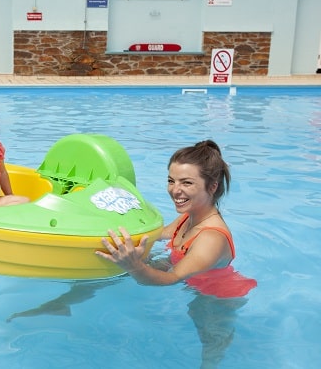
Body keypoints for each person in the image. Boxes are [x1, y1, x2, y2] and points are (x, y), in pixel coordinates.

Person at [96, 140, 257, 368]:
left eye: (187, 183)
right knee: (109, 265)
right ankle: (64, 304)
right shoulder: (188, 215)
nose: (175, 190)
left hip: (215, 299)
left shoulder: (211, 237)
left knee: (211, 350)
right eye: (171, 181)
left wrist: (134, 266)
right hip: (189, 277)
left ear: (212, 187)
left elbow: (170, 279)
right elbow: (157, 234)